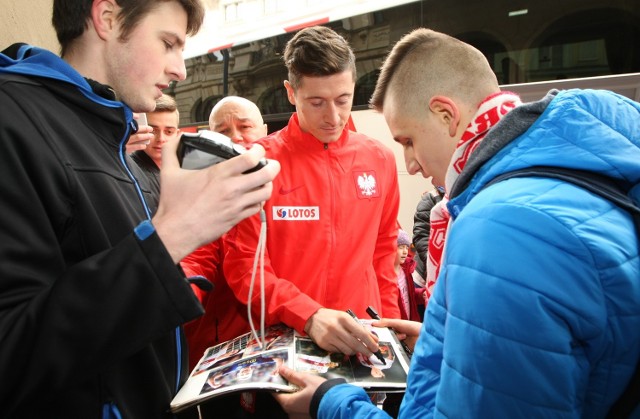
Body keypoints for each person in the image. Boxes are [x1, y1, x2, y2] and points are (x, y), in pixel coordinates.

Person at [273, 27, 640, 418]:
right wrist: (445, 338)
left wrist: (332, 404)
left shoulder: (500, 230)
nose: (410, 166)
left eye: (409, 141)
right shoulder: (571, 171)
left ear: (446, 114)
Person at [0, 0, 280, 417]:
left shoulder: (106, 133)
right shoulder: (13, 122)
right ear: (107, 18)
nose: (181, 69)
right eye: (168, 43)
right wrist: (175, 234)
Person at [221, 25, 402, 416]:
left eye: (343, 99)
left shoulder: (379, 159)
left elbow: (384, 251)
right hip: (286, 349)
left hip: (362, 347)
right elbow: (244, 269)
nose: (333, 117)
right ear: (290, 92)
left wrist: (390, 329)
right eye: (316, 102)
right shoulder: (257, 164)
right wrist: (310, 314)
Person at [180, 96, 269, 372]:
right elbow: (195, 258)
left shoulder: (286, 184)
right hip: (221, 353)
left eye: (245, 126)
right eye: (223, 131)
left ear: (264, 130)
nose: (236, 138)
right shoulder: (197, 193)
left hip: (278, 341)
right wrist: (177, 293)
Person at [130, 93, 181, 203]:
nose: (161, 139)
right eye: (153, 131)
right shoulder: (129, 170)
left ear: (177, 134)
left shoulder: (186, 168)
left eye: (169, 132)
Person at [394, 229, 420, 322]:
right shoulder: (386, 276)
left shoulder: (406, 270)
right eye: (400, 247)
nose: (405, 252)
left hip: (409, 321)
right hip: (396, 324)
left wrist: (421, 293)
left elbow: (409, 294)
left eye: (406, 247)